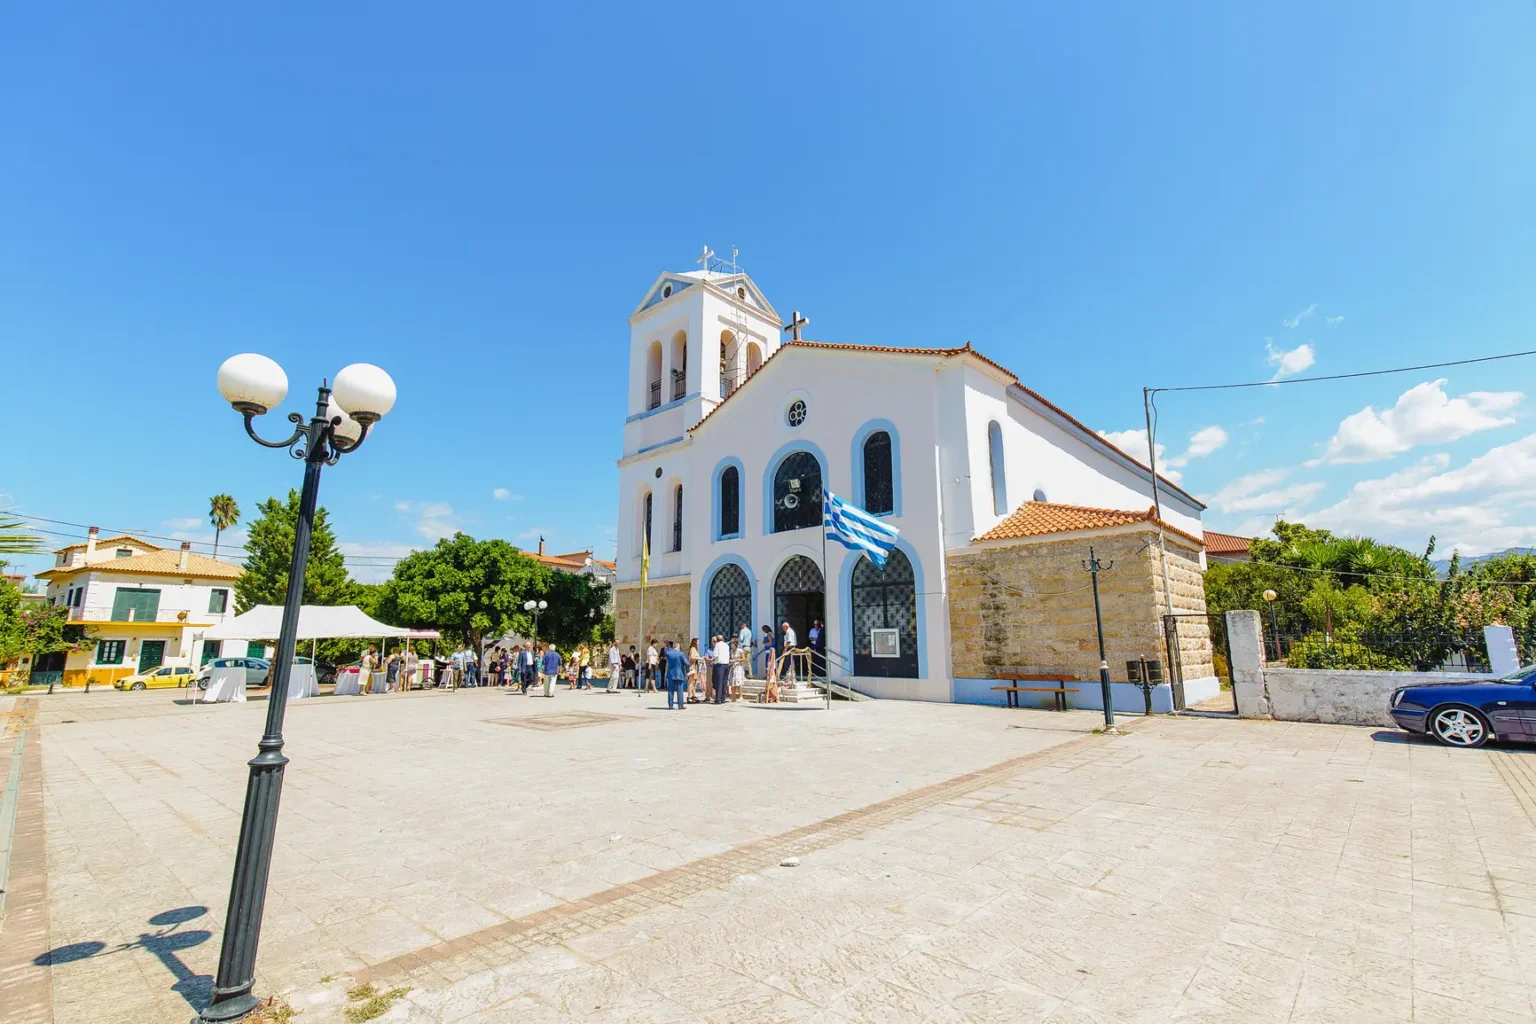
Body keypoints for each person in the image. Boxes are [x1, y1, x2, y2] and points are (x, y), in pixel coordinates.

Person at [662, 639, 689, 709]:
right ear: (678, 646)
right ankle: (680, 705)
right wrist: (687, 671)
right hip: (679, 673)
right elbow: (687, 663)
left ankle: (670, 705)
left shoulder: (668, 653)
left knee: (670, 690)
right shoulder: (681, 654)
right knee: (680, 690)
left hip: (670, 673)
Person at [711, 634, 731, 704]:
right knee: (724, 682)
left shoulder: (718, 645)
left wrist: (711, 660)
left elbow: (715, 655)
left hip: (720, 665)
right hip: (726, 664)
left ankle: (718, 699)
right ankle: (723, 698)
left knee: (718, 681)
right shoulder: (726, 645)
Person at [686, 637, 703, 703]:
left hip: (695, 666)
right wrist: (699, 658)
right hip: (692, 666)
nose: (698, 643)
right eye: (698, 641)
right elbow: (692, 657)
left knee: (694, 682)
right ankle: (689, 696)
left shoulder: (695, 649)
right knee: (691, 682)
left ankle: (693, 696)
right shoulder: (693, 649)